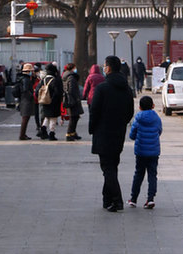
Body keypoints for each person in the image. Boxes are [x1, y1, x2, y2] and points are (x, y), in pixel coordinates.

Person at [89, 56, 134, 212]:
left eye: (105, 66)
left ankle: (117, 200)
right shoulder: (127, 88)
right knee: (112, 166)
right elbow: (130, 112)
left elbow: (94, 111)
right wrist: (120, 123)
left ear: (108, 68)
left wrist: (92, 127)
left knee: (107, 168)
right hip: (118, 132)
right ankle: (106, 198)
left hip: (103, 132)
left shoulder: (102, 88)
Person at [128, 95, 163, 209]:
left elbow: (132, 135)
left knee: (138, 174)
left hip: (141, 152)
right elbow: (159, 131)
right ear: (153, 106)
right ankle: (150, 199)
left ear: (139, 107)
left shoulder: (138, 118)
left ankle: (133, 199)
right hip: (153, 152)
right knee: (152, 175)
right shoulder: (156, 118)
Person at [39, 63, 63, 140]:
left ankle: (43, 129)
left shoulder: (44, 80)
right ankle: (52, 133)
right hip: (53, 102)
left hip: (44, 101)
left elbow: (37, 90)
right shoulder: (54, 80)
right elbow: (57, 92)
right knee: (53, 118)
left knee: (47, 116)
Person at [12, 63, 35, 140]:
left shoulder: (21, 78)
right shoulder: (26, 79)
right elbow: (25, 90)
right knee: (25, 118)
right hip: (26, 100)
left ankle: (23, 134)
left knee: (25, 118)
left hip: (23, 99)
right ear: (28, 71)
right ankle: (22, 135)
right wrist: (31, 95)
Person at [62, 62, 84, 141]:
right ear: (72, 68)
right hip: (72, 99)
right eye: (75, 68)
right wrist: (76, 98)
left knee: (75, 116)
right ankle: (69, 133)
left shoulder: (66, 75)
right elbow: (71, 89)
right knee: (73, 117)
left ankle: (73, 133)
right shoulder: (71, 77)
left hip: (69, 99)